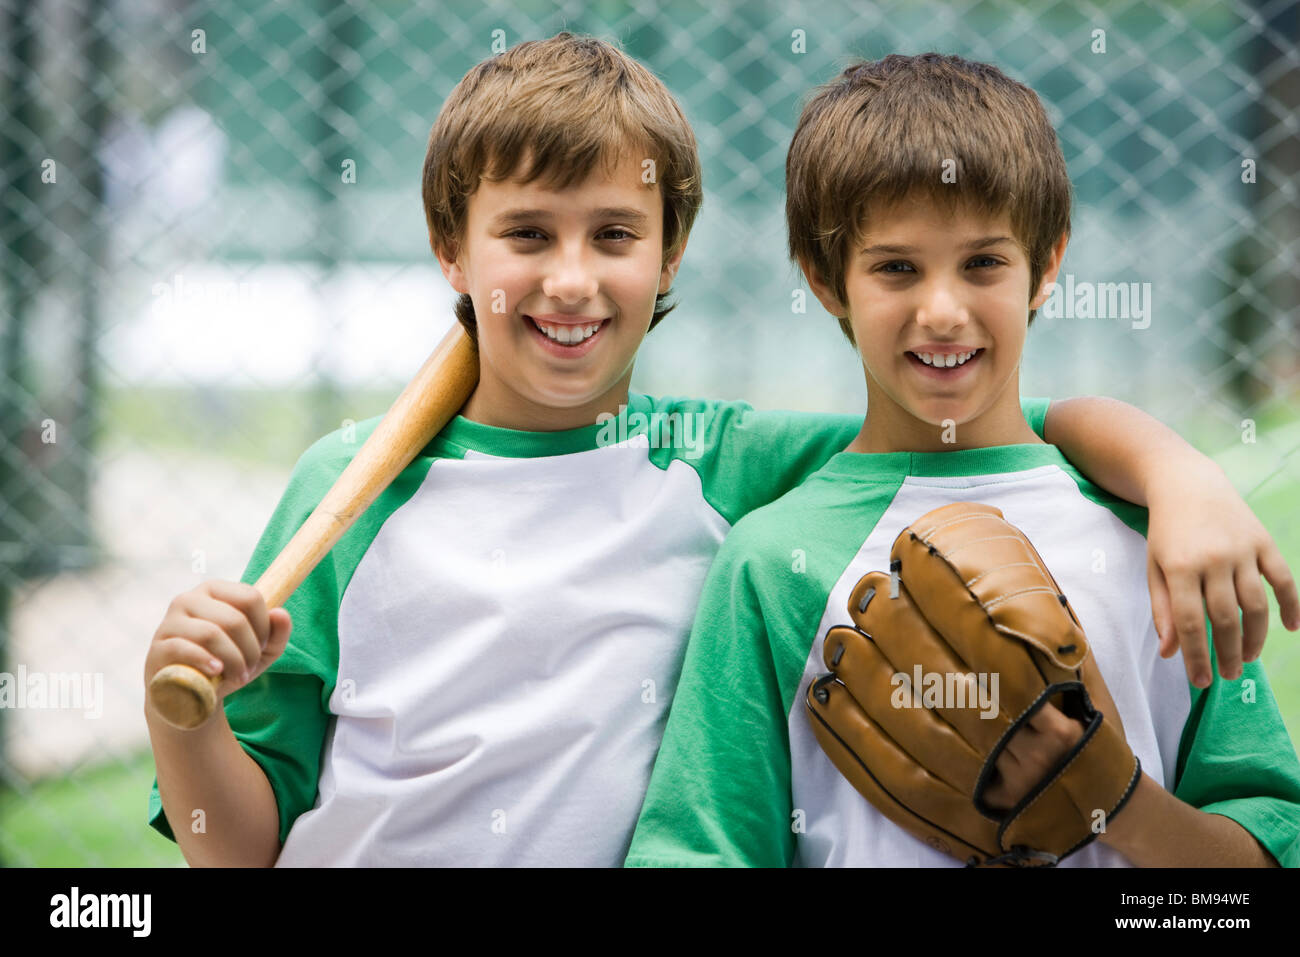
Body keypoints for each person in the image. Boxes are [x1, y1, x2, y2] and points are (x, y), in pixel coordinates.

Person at [145, 36, 1297, 867]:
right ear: (452, 248)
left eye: (613, 235)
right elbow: (229, 853)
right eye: (524, 236)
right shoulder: (347, 493)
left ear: (670, 254)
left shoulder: (717, 465)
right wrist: (179, 719)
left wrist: (1176, 474)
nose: (570, 279)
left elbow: (981, 444)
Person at [625, 52, 1300, 868]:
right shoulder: (770, 565)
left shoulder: (1159, 539)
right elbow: (704, 848)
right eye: (896, 268)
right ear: (826, 279)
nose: (942, 311)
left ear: (1046, 266)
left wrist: (1118, 805)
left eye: (983, 263)